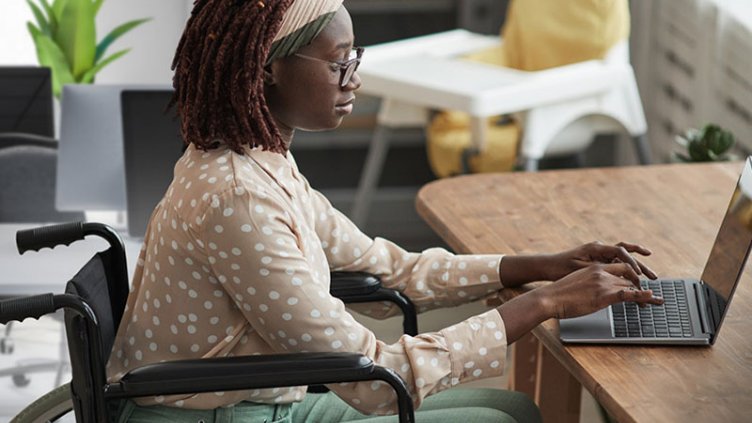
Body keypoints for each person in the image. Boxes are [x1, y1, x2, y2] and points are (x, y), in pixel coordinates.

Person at [107, 1, 664, 422]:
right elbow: (376, 379)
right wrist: (548, 302)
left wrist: (539, 265)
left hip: (260, 397)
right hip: (208, 415)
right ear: (268, 67)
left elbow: (390, 268)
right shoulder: (238, 198)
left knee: (514, 410)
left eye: (355, 59)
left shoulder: (262, 162)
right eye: (336, 64)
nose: (355, 80)